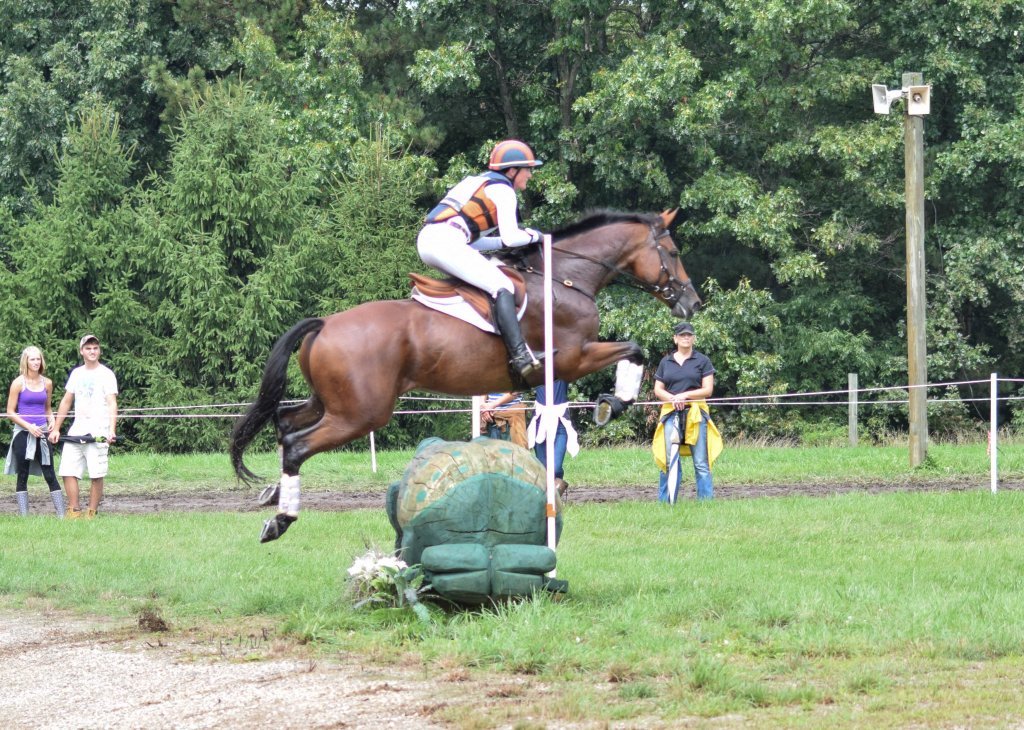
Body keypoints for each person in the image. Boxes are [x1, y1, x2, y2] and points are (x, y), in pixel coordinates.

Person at [418, 139, 546, 379]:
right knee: (503, 285)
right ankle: (520, 356)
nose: (530, 175)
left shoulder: (481, 182)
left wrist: (502, 242)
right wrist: (536, 235)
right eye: (527, 169)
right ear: (512, 171)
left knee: (486, 282)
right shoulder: (504, 191)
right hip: (445, 241)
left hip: (434, 240)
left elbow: (475, 241)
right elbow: (512, 237)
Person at [48, 334, 118, 519]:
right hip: (77, 431)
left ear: (99, 351)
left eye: (95, 348)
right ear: (82, 351)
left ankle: (92, 512)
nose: (92, 351)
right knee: (67, 470)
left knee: (96, 473)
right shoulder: (77, 373)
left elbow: (112, 403)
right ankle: (74, 510)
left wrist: (111, 430)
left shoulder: (106, 374)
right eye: (88, 348)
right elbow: (66, 401)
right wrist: (56, 428)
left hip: (98, 431)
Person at [651, 321, 722, 504]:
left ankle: (706, 503)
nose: (686, 338)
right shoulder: (665, 362)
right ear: (675, 338)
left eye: (689, 335)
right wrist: (673, 399)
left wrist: (685, 395)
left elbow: (707, 390)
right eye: (682, 335)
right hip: (671, 414)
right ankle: (666, 502)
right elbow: (658, 390)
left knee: (701, 462)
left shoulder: (703, 361)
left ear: (694, 339)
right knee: (669, 461)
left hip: (696, 415)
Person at [4, 346, 65, 516]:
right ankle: (24, 516)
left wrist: (52, 421)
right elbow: (10, 412)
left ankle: (62, 515)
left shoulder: (47, 383)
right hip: (23, 433)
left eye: (38, 359)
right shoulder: (18, 383)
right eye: (32, 359)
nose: (36, 362)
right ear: (26, 361)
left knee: (49, 473)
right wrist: (28, 426)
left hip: (42, 433)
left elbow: (47, 409)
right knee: (23, 474)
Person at [527, 379, 579, 497]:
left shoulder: (562, 374)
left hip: (560, 424)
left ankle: (557, 486)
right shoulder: (537, 373)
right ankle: (548, 498)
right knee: (544, 469)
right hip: (540, 424)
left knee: (555, 468)